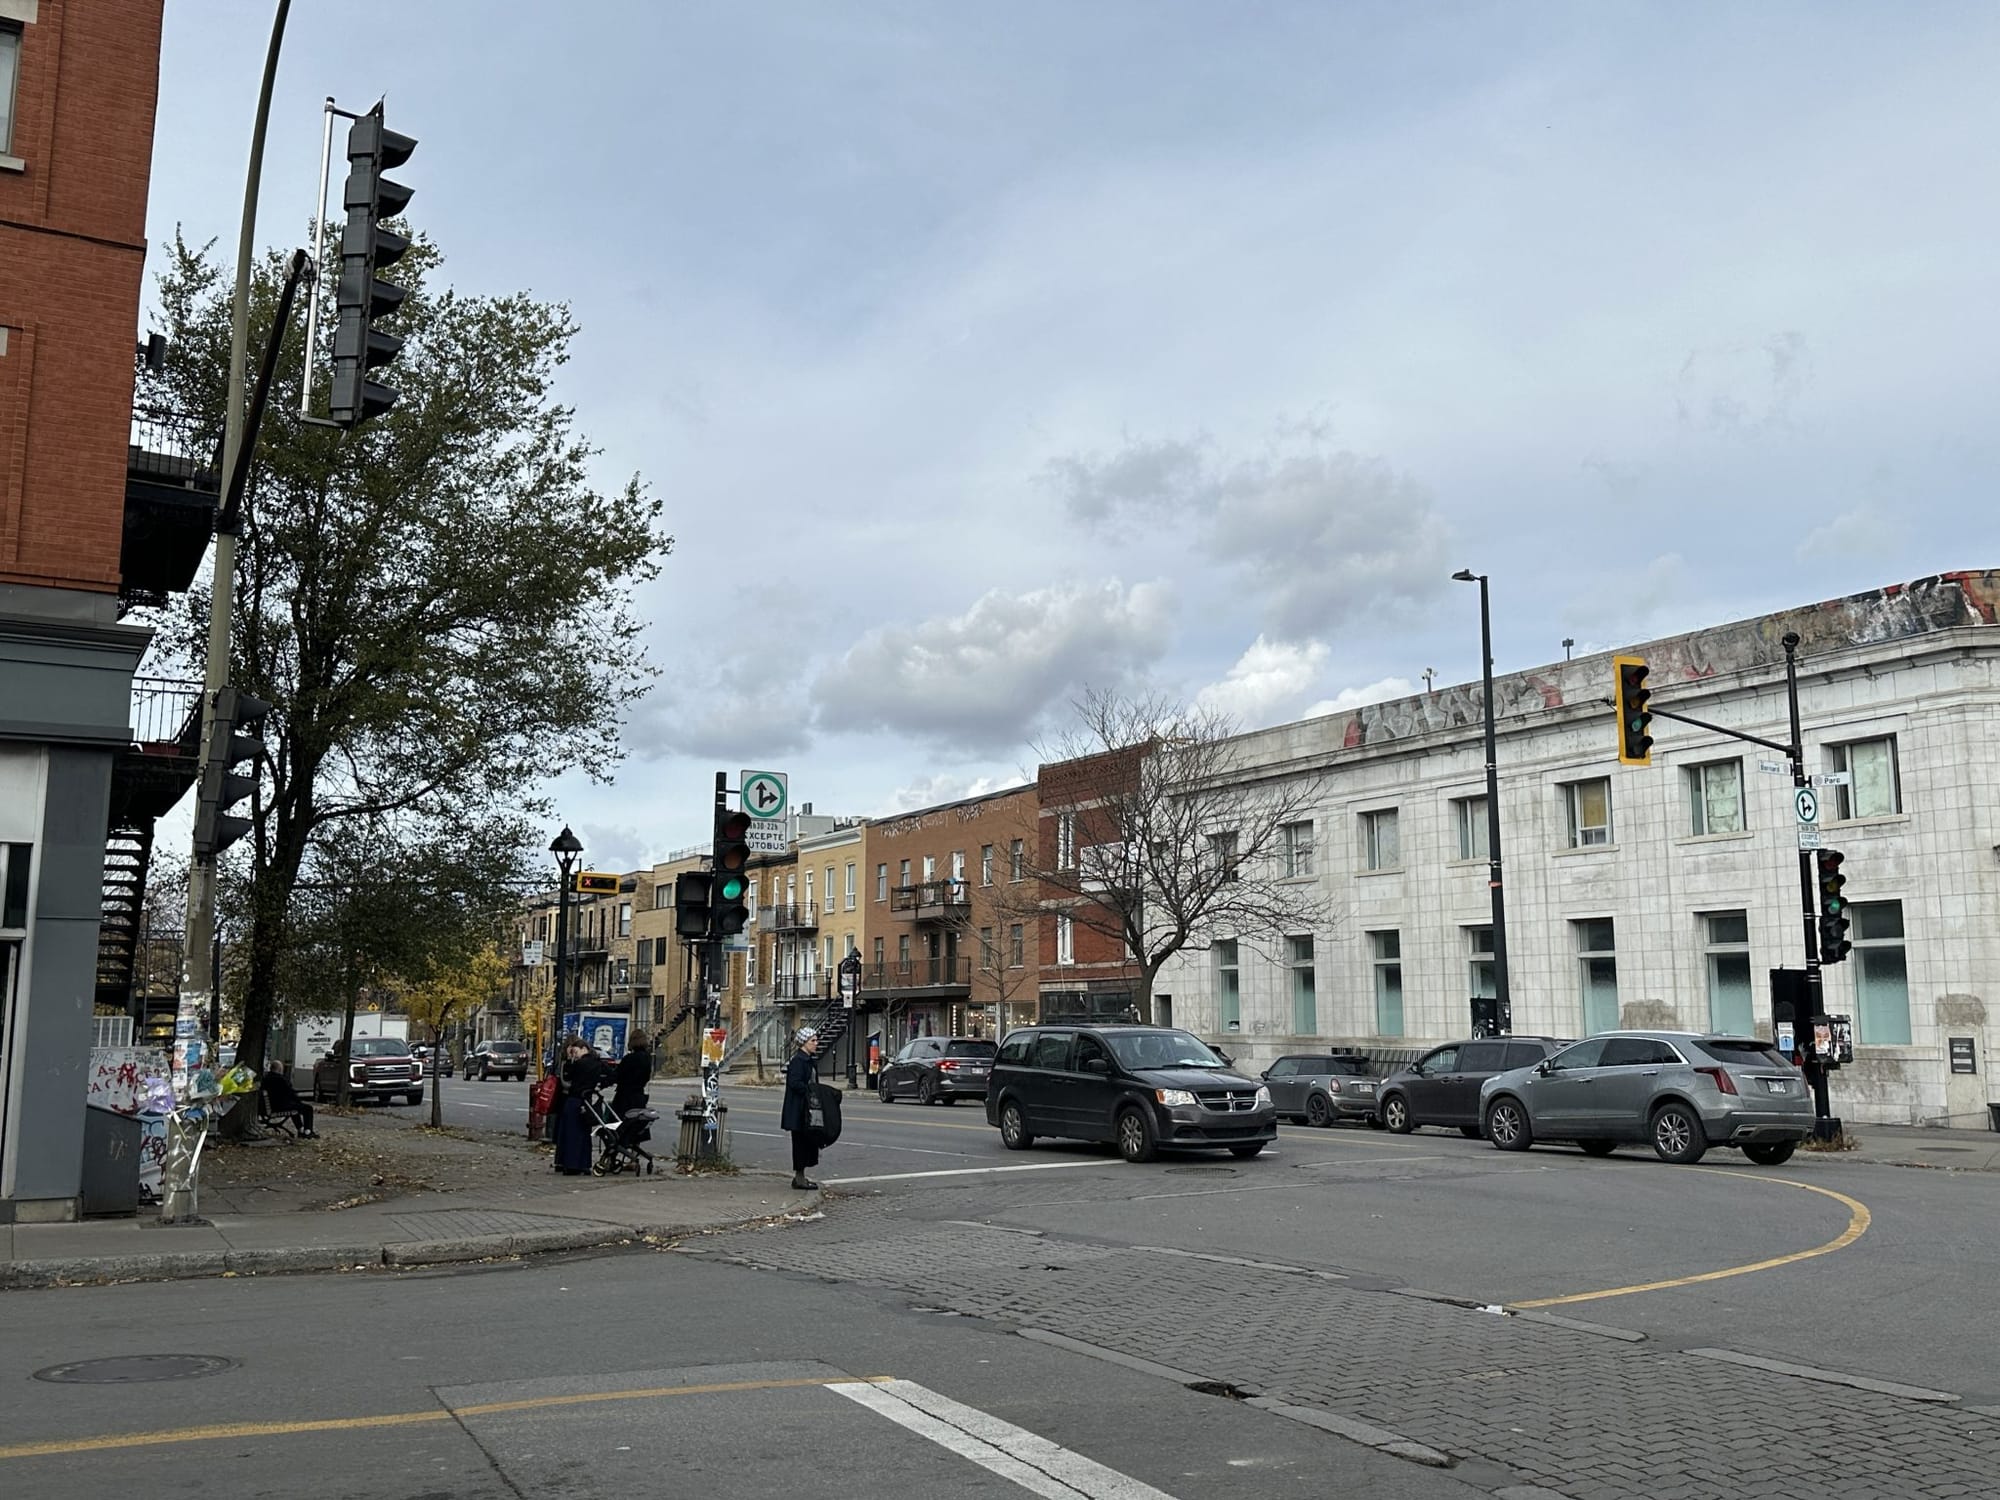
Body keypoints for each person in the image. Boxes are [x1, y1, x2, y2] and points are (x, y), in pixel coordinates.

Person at [554, 1039, 606, 1175]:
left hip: (574, 1099)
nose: (575, 1055)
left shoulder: (579, 1064)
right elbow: (612, 1075)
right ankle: (584, 1164)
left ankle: (571, 1165)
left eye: (575, 1052)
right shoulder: (597, 1063)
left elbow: (567, 1077)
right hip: (587, 1101)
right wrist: (599, 1085)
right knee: (584, 1134)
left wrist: (570, 1061)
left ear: (583, 1048)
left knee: (571, 1133)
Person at [781, 1026, 823, 1190]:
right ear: (804, 1043)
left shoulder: (809, 1060)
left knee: (807, 1142)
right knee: (800, 1144)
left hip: (808, 1108)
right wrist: (810, 1090)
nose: (816, 1043)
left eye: (816, 1040)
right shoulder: (798, 1061)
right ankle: (799, 1178)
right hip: (799, 1110)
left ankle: (801, 1176)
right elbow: (795, 1083)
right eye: (813, 1040)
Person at [611, 1030, 652, 1143]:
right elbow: (647, 1077)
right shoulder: (647, 1058)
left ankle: (616, 1149)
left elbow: (617, 1075)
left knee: (618, 1125)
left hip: (624, 1097)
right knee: (636, 1126)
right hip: (639, 1095)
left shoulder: (629, 1059)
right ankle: (634, 1153)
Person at [261, 1061, 316, 1138]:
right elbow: (291, 1093)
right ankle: (308, 1131)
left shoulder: (265, 1079)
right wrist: (299, 1101)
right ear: (280, 1069)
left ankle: (300, 1129)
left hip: (270, 1107)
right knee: (308, 1108)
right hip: (280, 1107)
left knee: (294, 1107)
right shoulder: (281, 1080)